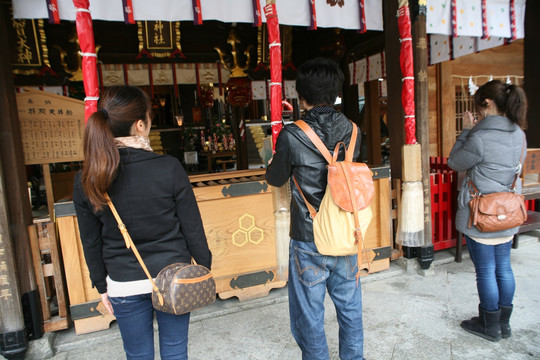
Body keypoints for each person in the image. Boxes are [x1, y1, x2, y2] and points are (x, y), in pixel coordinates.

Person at [73, 86, 212, 359]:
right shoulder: (169, 167)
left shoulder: (87, 178)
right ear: (140, 124)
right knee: (175, 351)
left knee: (137, 355)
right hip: (173, 277)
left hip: (123, 282)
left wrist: (101, 285)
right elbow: (192, 227)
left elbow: (90, 240)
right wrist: (204, 266)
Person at [266, 57, 364, 360]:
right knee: (350, 308)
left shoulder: (292, 134)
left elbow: (276, 178)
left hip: (309, 236)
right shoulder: (352, 129)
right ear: (336, 93)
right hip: (346, 231)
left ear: (301, 96)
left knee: (309, 313)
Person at [448, 80, 528, 342]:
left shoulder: (479, 136)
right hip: (508, 211)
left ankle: (489, 326)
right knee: (503, 268)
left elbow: (454, 162)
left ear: (487, 104)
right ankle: (503, 325)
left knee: (485, 271)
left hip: (481, 215)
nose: (477, 113)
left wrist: (466, 131)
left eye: (478, 107)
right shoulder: (519, 134)